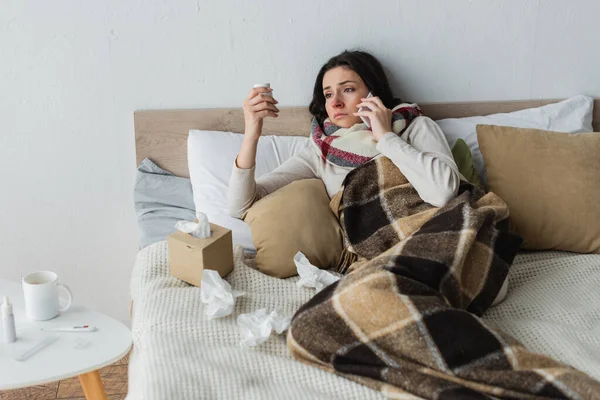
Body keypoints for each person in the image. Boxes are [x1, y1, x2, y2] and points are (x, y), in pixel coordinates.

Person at [228, 50, 460, 219]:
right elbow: (240, 207)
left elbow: (443, 193)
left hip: (437, 230)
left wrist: (386, 137)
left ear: (373, 92)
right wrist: (251, 134)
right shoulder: (321, 152)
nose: (336, 102)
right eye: (328, 95)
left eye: (348, 90)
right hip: (379, 251)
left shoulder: (416, 127)